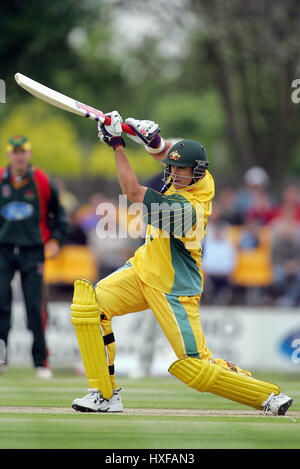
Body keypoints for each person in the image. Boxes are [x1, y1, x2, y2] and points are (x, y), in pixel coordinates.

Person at [71, 113, 293, 416]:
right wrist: (154, 142)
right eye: (171, 167)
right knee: (90, 306)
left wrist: (118, 144)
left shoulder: (188, 209)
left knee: (195, 366)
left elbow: (132, 193)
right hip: (142, 270)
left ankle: (266, 396)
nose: (173, 173)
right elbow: (176, 152)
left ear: (196, 172)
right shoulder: (202, 178)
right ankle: (104, 394)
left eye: (180, 169)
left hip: (173, 287)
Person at [0, 135, 68, 378]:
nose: (19, 156)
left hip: (33, 250)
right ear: (9, 154)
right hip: (3, 249)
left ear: (29, 154)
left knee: (34, 304)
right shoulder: (1, 179)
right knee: (1, 302)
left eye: (23, 152)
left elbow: (59, 216)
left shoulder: (41, 180)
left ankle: (41, 362)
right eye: (15, 152)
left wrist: (55, 241)